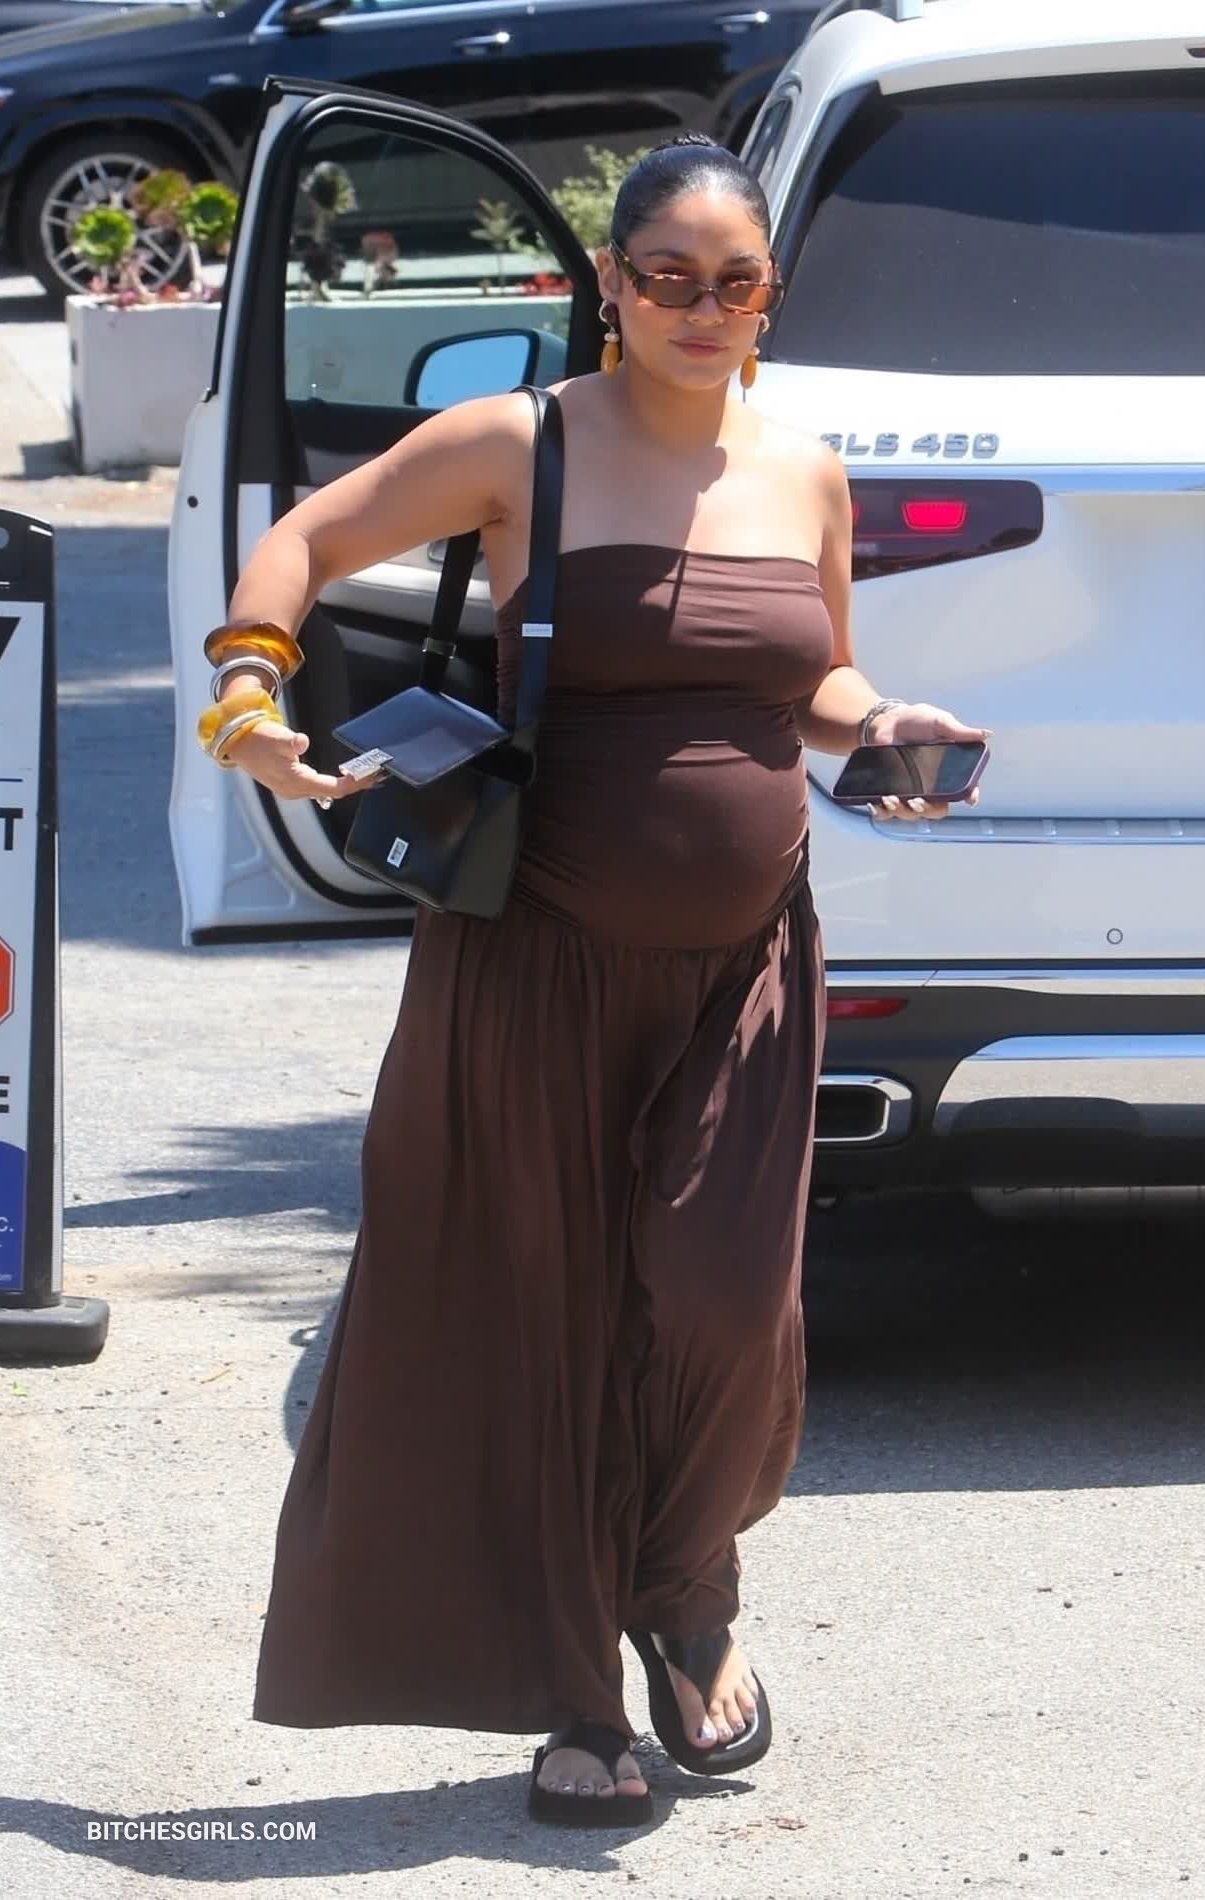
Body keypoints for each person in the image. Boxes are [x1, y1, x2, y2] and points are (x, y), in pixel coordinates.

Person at [194, 133, 986, 1827]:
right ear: (613, 284)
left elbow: (814, 680)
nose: (703, 306)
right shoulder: (520, 442)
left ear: (770, 296)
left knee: (723, 1302)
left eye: (736, 281)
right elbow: (308, 537)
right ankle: (576, 1696)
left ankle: (683, 1595)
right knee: (544, 1317)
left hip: (748, 966)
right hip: (535, 958)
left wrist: (887, 721)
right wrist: (250, 692)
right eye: (668, 276)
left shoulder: (806, 472)